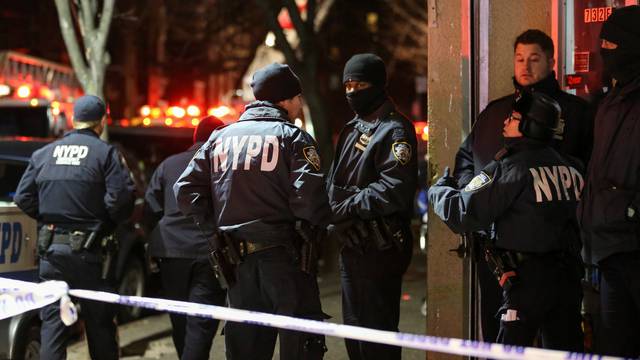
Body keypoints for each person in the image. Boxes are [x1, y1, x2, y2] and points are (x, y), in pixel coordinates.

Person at [174, 63, 330, 360]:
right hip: (286, 258)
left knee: (245, 347)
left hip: (237, 262)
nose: (300, 105)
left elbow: (185, 191)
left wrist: (215, 230)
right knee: (301, 343)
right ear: (284, 99)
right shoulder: (292, 138)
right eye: (298, 98)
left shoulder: (220, 138)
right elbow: (309, 200)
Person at [453, 29, 594, 343]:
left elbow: (584, 175)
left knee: (554, 341)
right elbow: (466, 156)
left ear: (551, 61)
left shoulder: (575, 113)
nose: (525, 67)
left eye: (534, 59)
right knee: (498, 338)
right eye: (519, 59)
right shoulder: (494, 113)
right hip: (494, 251)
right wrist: (473, 193)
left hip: (548, 254)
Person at [430, 92, 585, 350]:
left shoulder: (510, 168)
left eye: (513, 118)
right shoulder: (572, 167)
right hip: (568, 280)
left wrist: (439, 189)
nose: (505, 122)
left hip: (526, 285)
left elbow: (463, 213)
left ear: (530, 126)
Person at [14, 95, 135, 360]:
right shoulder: (106, 154)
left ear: (73, 119)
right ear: (102, 121)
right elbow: (121, 200)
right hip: (92, 255)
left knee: (53, 329)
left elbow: (23, 197)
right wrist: (104, 224)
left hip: (52, 252)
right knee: (100, 328)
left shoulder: (43, 154)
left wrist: (48, 220)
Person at [326, 53, 417, 360]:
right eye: (347, 85)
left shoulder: (395, 130)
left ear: (377, 85)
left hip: (380, 245)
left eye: (360, 84)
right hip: (352, 243)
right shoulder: (353, 127)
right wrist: (333, 215)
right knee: (354, 331)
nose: (352, 91)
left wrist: (346, 208)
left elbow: (394, 188)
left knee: (376, 334)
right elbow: (334, 181)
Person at [577, 5, 640, 358]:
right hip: (608, 251)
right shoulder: (608, 103)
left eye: (613, 48)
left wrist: (629, 210)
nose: (606, 55)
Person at [143, 115, 227, 359]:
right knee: (201, 321)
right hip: (208, 252)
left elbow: (150, 207)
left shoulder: (169, 164)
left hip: (170, 251)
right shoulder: (224, 165)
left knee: (179, 318)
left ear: (194, 137)